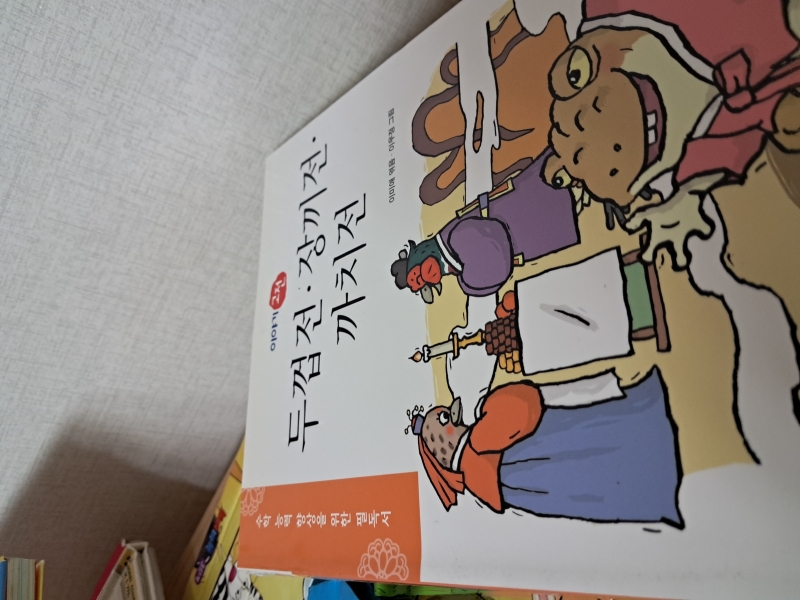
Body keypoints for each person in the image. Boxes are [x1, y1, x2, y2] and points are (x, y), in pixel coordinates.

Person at [411, 366, 682, 526]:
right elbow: (521, 412)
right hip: (546, 448)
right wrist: (493, 403)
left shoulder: (473, 475)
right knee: (595, 445)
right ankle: (650, 438)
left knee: (588, 487)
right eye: (448, 420)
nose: (457, 419)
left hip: (537, 485)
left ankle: (651, 490)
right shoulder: (478, 443)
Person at [391, 150, 579, 302]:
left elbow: (497, 257)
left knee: (570, 175)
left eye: (417, 274)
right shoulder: (454, 258)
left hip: (530, 209)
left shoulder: (456, 240)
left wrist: (467, 285)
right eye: (421, 283)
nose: (425, 277)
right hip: (536, 232)